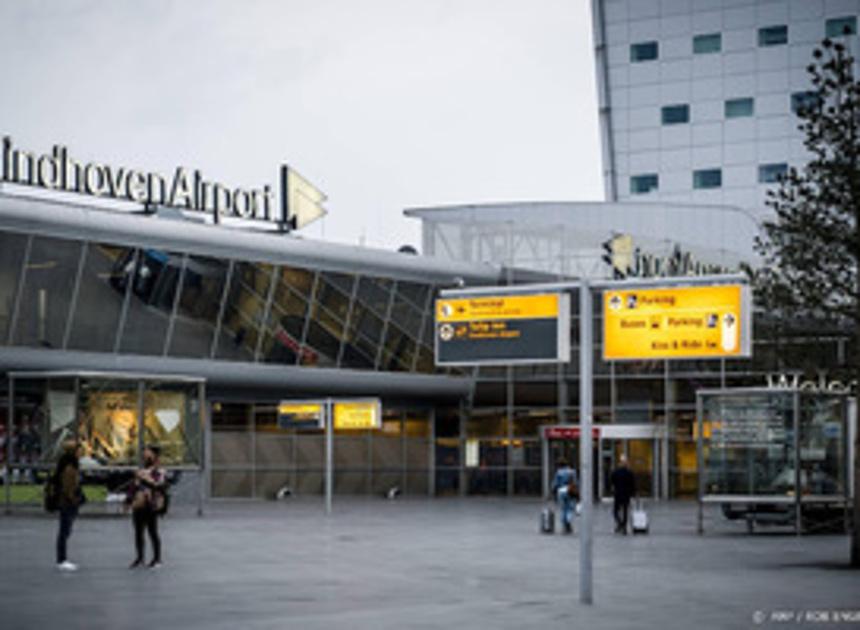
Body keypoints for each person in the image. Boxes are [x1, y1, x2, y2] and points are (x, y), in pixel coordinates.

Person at [128, 445, 167, 569]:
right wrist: (129, 499)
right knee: (138, 532)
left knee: (152, 531)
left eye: (147, 452)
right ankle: (140, 558)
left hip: (151, 504)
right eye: (144, 452)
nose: (145, 455)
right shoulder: (142, 469)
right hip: (139, 504)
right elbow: (134, 486)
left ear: (154, 455)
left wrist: (144, 478)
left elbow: (159, 486)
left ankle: (157, 558)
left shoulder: (159, 471)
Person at [55, 439, 83, 571]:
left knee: (65, 530)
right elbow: (68, 486)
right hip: (67, 502)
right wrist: (73, 499)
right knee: (64, 530)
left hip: (67, 501)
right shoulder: (70, 466)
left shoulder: (67, 463)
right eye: (79, 450)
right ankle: (62, 559)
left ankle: (62, 558)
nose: (81, 452)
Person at [610, 455, 636, 534]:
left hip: (618, 494)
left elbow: (612, 481)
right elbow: (633, 484)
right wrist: (633, 494)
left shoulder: (616, 472)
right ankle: (623, 526)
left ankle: (620, 523)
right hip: (626, 494)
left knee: (615, 511)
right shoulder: (629, 472)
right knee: (625, 511)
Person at [551, 457, 578, 534]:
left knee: (563, 508)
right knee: (569, 508)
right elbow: (575, 483)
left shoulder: (558, 472)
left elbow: (555, 484)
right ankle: (568, 523)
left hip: (561, 491)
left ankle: (564, 524)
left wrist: (553, 491)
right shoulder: (572, 472)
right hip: (570, 490)